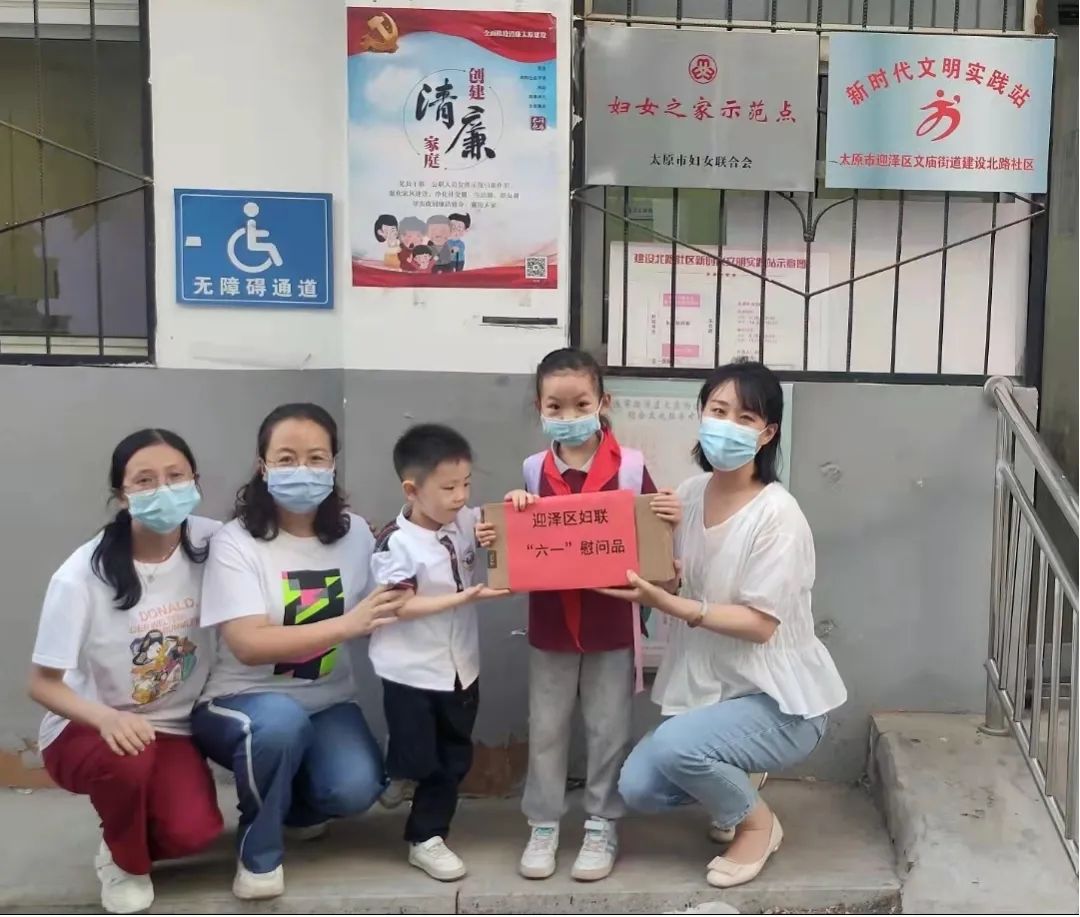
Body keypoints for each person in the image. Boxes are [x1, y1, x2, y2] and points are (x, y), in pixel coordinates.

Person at [604, 361, 847, 889]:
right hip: (711, 690)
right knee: (640, 787)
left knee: (675, 747)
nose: (727, 425)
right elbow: (674, 579)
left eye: (745, 417)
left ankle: (758, 825)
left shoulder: (778, 516)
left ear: (768, 433)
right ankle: (739, 777)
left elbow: (760, 625)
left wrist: (675, 607)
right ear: (701, 415)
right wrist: (656, 575)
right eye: (718, 411)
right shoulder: (690, 494)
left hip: (779, 703)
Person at [191, 403, 406, 902]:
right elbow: (248, 645)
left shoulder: (355, 534)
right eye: (286, 459)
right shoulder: (235, 542)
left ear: (333, 465)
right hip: (241, 701)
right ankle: (259, 853)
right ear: (262, 466)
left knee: (354, 789)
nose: (302, 470)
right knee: (280, 725)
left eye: (316, 458)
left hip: (327, 702)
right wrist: (347, 624)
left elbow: (388, 600)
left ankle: (295, 807)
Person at [28, 429, 223, 915]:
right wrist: (106, 718)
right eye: (145, 480)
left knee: (192, 834)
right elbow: (42, 684)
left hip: (171, 727)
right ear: (122, 494)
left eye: (176, 476)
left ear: (195, 481)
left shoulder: (215, 541)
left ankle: (124, 830)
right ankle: (124, 863)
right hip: (88, 728)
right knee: (127, 760)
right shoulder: (80, 575)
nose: (163, 489)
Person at [504, 348, 681, 882]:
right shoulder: (532, 470)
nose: (568, 415)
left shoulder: (630, 468)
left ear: (603, 402)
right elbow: (517, 546)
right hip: (551, 626)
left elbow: (654, 542)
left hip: (612, 626)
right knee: (547, 729)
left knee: (608, 729)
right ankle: (543, 823)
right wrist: (511, 512)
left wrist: (667, 518)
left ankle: (602, 822)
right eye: (554, 406)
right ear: (538, 407)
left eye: (580, 404)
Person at [369, 424, 508, 881]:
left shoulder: (465, 519)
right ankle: (402, 775)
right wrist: (463, 598)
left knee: (453, 757)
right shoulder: (395, 542)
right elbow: (400, 605)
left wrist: (511, 513)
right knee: (420, 755)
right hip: (410, 672)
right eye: (448, 488)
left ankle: (427, 835)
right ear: (412, 490)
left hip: (461, 668)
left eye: (466, 484)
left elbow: (500, 527)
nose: (461, 496)